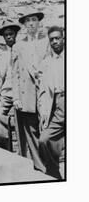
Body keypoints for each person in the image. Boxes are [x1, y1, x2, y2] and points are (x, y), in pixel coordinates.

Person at [11, 13, 46, 171]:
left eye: (34, 20)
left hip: (44, 92)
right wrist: (16, 97)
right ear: (24, 25)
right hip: (27, 92)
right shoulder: (18, 46)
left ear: (39, 23)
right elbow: (15, 74)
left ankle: (49, 161)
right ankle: (40, 166)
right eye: (28, 21)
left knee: (46, 129)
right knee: (31, 131)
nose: (31, 24)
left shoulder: (46, 43)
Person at [37, 26, 65, 179]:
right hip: (56, 105)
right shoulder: (46, 63)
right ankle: (54, 173)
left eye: (57, 38)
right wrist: (43, 113)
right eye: (52, 39)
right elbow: (42, 92)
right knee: (44, 139)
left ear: (63, 38)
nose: (55, 41)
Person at [0, 19, 21, 115]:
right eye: (6, 35)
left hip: (21, 93)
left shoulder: (22, 51)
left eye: (11, 34)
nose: (9, 37)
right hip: (5, 93)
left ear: (15, 34)